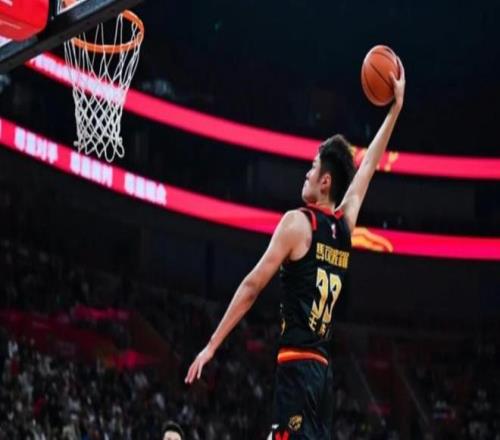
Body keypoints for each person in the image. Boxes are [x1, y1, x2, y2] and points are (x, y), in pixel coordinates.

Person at [185, 60, 406, 439]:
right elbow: (369, 165)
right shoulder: (344, 225)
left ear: (325, 181)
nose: (306, 173)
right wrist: (395, 110)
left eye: (312, 167)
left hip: (298, 369)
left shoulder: (298, 223)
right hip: (323, 377)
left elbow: (251, 287)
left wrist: (211, 346)